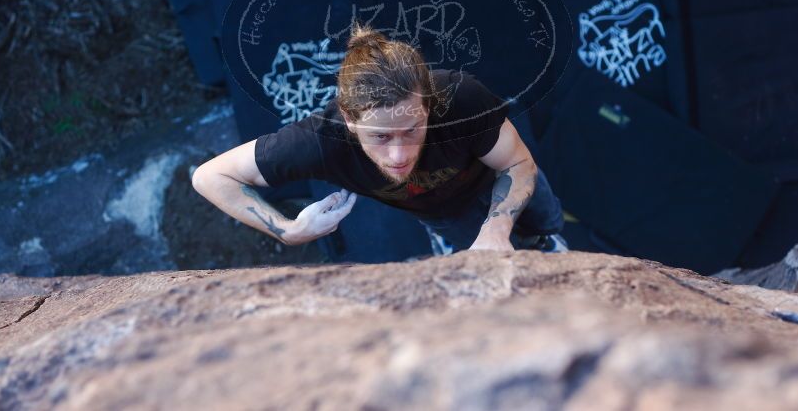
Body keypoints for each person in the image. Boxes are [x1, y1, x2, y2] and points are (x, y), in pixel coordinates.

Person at [191, 22, 567, 255]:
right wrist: (288, 231)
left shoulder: (460, 96)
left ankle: (548, 242)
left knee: (547, 225)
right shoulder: (321, 139)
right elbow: (209, 177)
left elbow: (516, 163)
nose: (400, 154)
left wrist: (497, 228)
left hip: (499, 180)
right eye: (381, 137)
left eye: (412, 129)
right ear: (351, 121)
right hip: (445, 215)